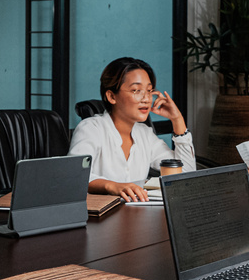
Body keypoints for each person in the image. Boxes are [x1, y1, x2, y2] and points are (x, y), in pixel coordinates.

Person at [68, 57, 195, 203]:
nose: (146, 99)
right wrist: (113, 186)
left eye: (149, 90)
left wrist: (177, 120)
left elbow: (186, 174)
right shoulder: (91, 129)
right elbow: (75, 176)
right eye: (136, 90)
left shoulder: (145, 134)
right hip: (99, 219)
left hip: (136, 217)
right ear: (111, 96)